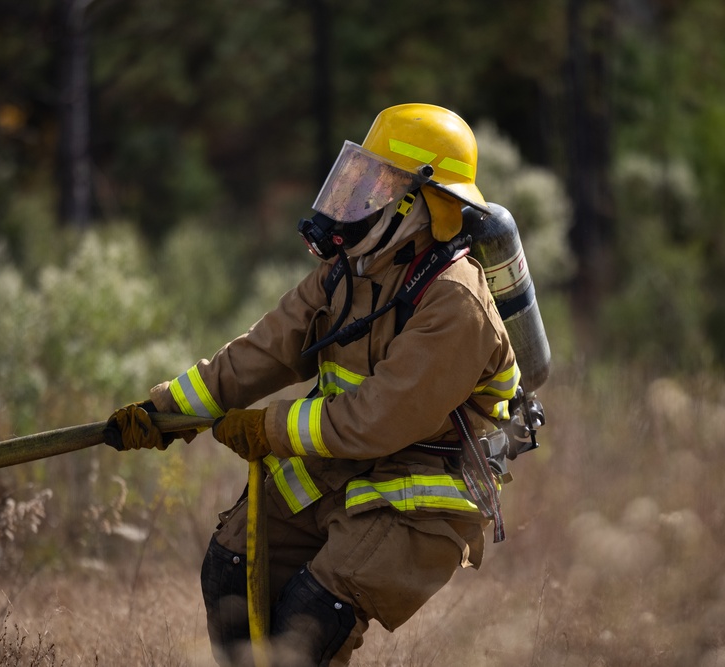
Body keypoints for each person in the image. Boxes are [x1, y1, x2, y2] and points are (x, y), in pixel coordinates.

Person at [104, 103, 521, 666]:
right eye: (357, 179)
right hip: (343, 468)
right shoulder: (349, 269)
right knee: (231, 567)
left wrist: (266, 428)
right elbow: (262, 352)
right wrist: (163, 412)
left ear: (418, 204)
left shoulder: (455, 302)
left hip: (422, 496)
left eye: (375, 185)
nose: (353, 199)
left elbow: (377, 418)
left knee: (311, 613)